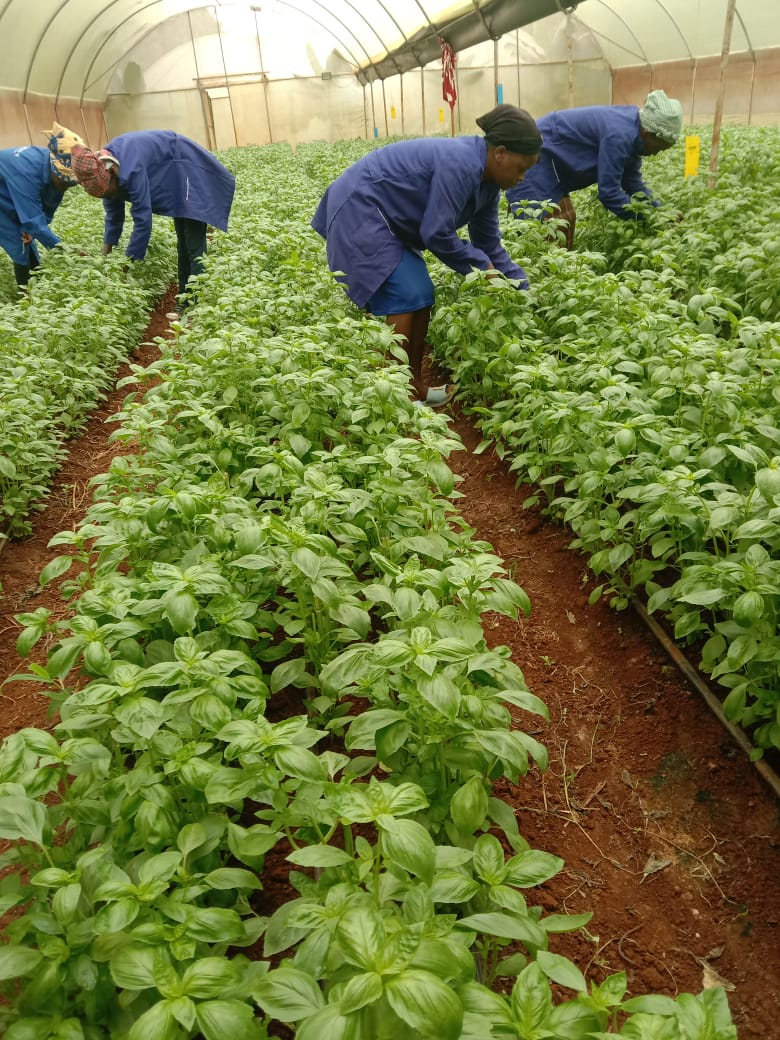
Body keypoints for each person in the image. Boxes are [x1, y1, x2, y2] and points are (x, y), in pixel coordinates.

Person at [311, 104, 542, 407]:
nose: (523, 177)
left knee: (421, 292)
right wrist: (481, 267)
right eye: (521, 168)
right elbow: (437, 233)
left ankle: (414, 387)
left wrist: (520, 288)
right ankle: (396, 397)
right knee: (407, 292)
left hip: (387, 217)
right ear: (500, 153)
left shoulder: (488, 186)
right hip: (361, 207)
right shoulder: (461, 163)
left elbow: (488, 243)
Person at [69, 129, 235, 310]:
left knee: (193, 240)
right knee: (182, 242)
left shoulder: (131, 169)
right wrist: (105, 258)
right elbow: (114, 217)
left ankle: (196, 301)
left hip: (186, 165)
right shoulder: (106, 169)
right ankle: (184, 299)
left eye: (108, 192)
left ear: (111, 175)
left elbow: (143, 220)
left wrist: (126, 265)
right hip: (172, 174)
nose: (109, 195)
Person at [505, 89, 684, 250]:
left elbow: (633, 184)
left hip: (554, 164)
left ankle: (551, 272)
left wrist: (660, 212)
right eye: (658, 147)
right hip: (536, 156)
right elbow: (609, 193)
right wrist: (648, 217)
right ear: (648, 133)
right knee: (540, 228)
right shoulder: (620, 136)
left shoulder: (634, 132)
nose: (655, 153)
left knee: (564, 220)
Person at [0, 122, 82, 290]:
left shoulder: (53, 169)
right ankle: (26, 297)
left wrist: (33, 229)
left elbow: (48, 207)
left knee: (27, 236)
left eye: (69, 184)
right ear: (54, 169)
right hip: (7, 191)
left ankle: (36, 289)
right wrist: (66, 250)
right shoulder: (26, 172)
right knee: (18, 242)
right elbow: (34, 221)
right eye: (63, 181)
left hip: (9, 189)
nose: (65, 187)